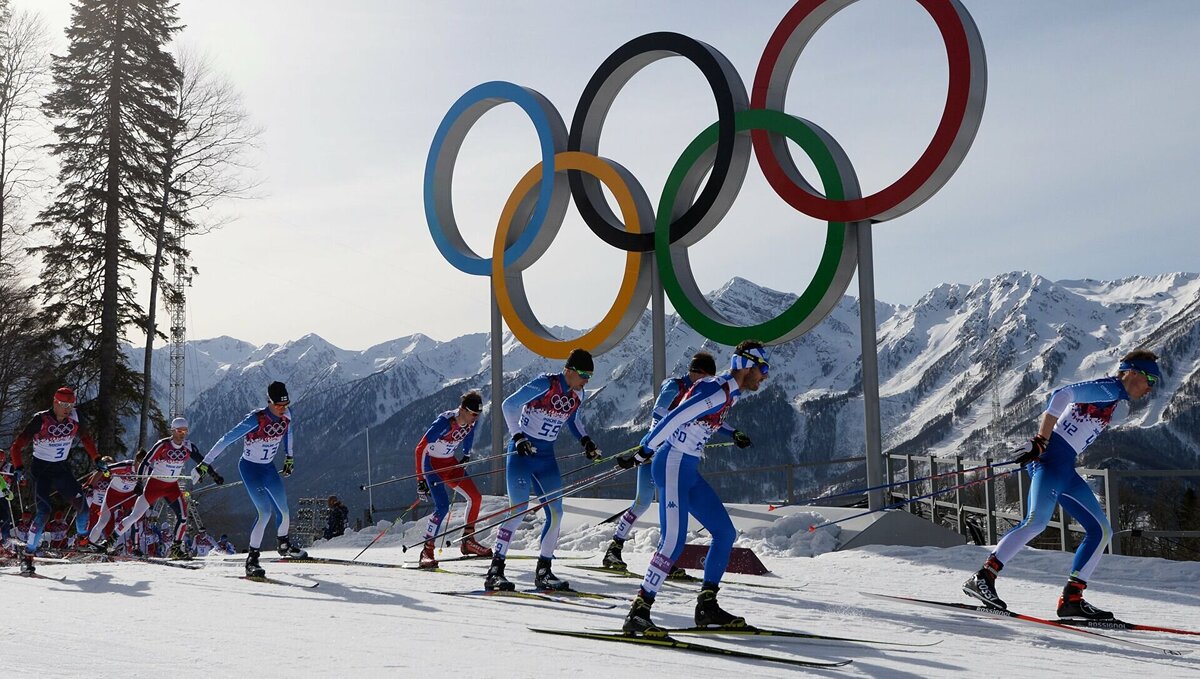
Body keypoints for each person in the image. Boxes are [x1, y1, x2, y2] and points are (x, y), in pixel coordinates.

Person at [963, 350, 1161, 620]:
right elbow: (1062, 395)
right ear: (1132, 372)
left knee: (1101, 530)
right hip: (1049, 459)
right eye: (1150, 378)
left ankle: (1072, 598)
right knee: (1036, 522)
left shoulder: (1115, 399)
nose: (1151, 386)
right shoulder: (1110, 387)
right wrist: (1040, 440)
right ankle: (983, 577)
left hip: (1065, 467)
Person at [620, 340, 769, 635]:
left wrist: (733, 432)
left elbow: (698, 417)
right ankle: (639, 610)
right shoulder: (716, 389)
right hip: (672, 464)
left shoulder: (729, 393)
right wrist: (645, 449)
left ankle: (707, 606)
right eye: (762, 368)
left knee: (725, 532)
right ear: (746, 365)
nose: (765, 375)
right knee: (672, 542)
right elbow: (676, 416)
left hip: (687, 469)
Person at [602, 352, 751, 572]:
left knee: (669, 507)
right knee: (643, 502)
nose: (708, 381)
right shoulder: (675, 386)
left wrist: (733, 433)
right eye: (705, 376)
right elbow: (659, 413)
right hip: (658, 451)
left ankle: (665, 560)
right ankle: (615, 547)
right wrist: (655, 443)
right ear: (696, 372)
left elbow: (711, 418)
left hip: (673, 454)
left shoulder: (707, 390)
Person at [484, 348, 600, 592]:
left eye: (589, 375)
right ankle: (495, 571)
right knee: (518, 511)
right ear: (568, 370)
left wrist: (586, 441)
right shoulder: (545, 384)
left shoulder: (578, 393)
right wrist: (518, 437)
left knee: (556, 512)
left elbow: (573, 418)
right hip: (522, 454)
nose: (586, 380)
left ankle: (544, 571)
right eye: (583, 374)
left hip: (546, 457)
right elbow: (509, 405)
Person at [196, 381, 306, 577]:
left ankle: (284, 545)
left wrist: (289, 457)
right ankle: (252, 559)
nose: (283, 409)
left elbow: (289, 434)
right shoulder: (256, 419)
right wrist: (205, 463)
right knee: (265, 513)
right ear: (269, 402)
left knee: (284, 510)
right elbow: (226, 439)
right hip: (250, 469)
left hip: (269, 468)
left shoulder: (286, 416)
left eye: (286, 404)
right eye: (279, 405)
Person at [9, 387, 108, 574]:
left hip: (61, 468)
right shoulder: (41, 419)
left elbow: (86, 438)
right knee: (44, 511)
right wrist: (19, 468)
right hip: (42, 469)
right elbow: (16, 446)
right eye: (63, 405)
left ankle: (83, 541)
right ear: (54, 402)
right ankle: (28, 556)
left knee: (82, 506)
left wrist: (97, 459)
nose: (66, 409)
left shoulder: (76, 417)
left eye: (70, 405)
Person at [109, 417, 205, 560]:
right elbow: (146, 462)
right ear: (173, 431)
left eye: (185, 430)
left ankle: (176, 548)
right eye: (179, 431)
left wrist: (208, 473)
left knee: (183, 517)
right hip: (155, 485)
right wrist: (140, 482)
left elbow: (202, 461)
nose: (182, 434)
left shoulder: (188, 446)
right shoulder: (163, 445)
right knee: (135, 516)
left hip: (172, 487)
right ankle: (110, 541)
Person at [414, 391, 490, 568]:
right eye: (472, 414)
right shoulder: (445, 422)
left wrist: (466, 454)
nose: (475, 419)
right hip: (432, 466)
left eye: (478, 415)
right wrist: (420, 479)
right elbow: (420, 448)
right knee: (442, 507)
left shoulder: (469, 422)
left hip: (450, 464)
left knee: (475, 497)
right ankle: (427, 550)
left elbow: (468, 434)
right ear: (462, 409)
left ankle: (468, 541)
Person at [85, 451, 146, 550]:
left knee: (135, 518)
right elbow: (104, 472)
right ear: (136, 461)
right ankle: (90, 544)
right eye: (140, 463)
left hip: (129, 495)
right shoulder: (124, 466)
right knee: (103, 521)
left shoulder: (146, 469)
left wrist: (142, 489)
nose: (142, 467)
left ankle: (135, 547)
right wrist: (91, 486)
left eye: (144, 464)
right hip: (114, 493)